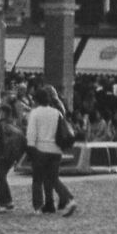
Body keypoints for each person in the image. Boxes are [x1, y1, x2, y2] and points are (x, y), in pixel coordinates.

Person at [24, 86, 76, 216]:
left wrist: (30, 148)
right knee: (53, 178)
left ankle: (38, 207)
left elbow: (31, 133)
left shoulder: (35, 113)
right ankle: (68, 199)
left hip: (40, 149)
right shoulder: (56, 112)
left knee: (37, 179)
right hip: (56, 150)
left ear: (36, 100)